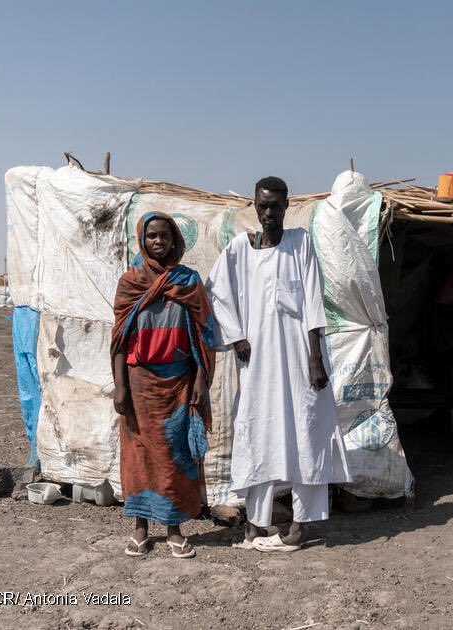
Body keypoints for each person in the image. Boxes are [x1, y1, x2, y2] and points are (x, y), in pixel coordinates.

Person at [205, 176, 350, 552]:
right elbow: (216, 291)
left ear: (287, 206)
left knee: (308, 433)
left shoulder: (300, 243)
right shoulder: (240, 249)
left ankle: (299, 526)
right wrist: (237, 336)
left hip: (301, 361)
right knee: (259, 434)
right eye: (262, 206)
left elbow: (314, 302)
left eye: (276, 206)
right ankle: (255, 525)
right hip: (258, 364)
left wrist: (316, 360)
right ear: (254, 206)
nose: (268, 213)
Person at [111, 212, 217, 559]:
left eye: (165, 236)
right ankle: (140, 528)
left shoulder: (188, 281)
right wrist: (120, 386)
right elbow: (119, 340)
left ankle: (174, 528)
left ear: (175, 240)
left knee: (174, 457)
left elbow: (205, 335)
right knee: (139, 457)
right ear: (142, 240)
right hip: (139, 383)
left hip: (179, 383)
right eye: (152, 236)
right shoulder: (131, 282)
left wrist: (201, 379)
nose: (159, 242)